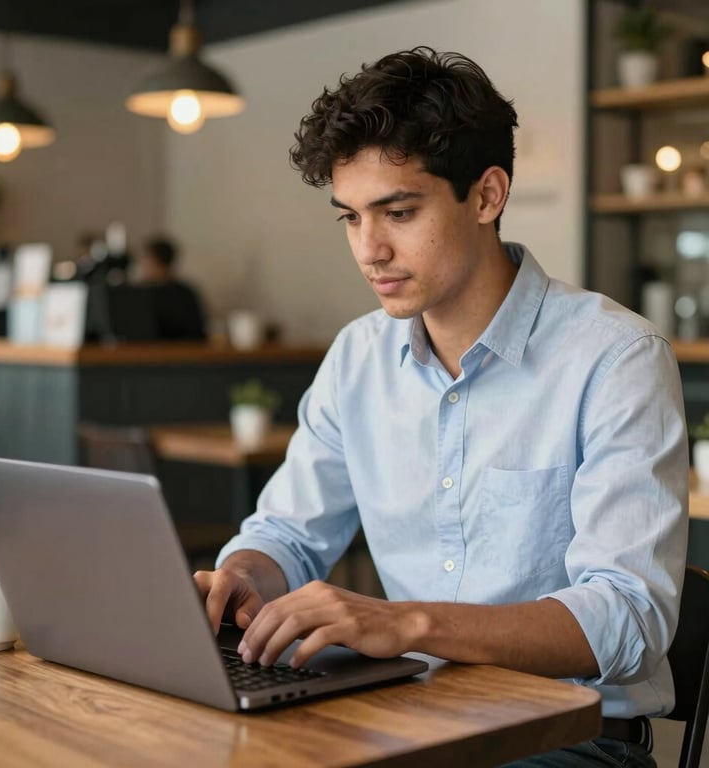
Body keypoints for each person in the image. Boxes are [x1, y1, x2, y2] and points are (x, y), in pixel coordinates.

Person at [195, 47, 688, 767]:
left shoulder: (616, 358)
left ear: (487, 196)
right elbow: (288, 536)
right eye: (351, 218)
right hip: (402, 721)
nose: (370, 249)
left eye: (398, 212)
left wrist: (406, 624)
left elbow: (628, 618)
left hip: (567, 743)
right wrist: (243, 573)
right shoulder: (358, 357)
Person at [138, 235, 208, 340]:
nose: (143, 266)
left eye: (146, 261)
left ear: (157, 263)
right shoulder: (140, 291)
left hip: (176, 352)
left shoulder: (184, 294)